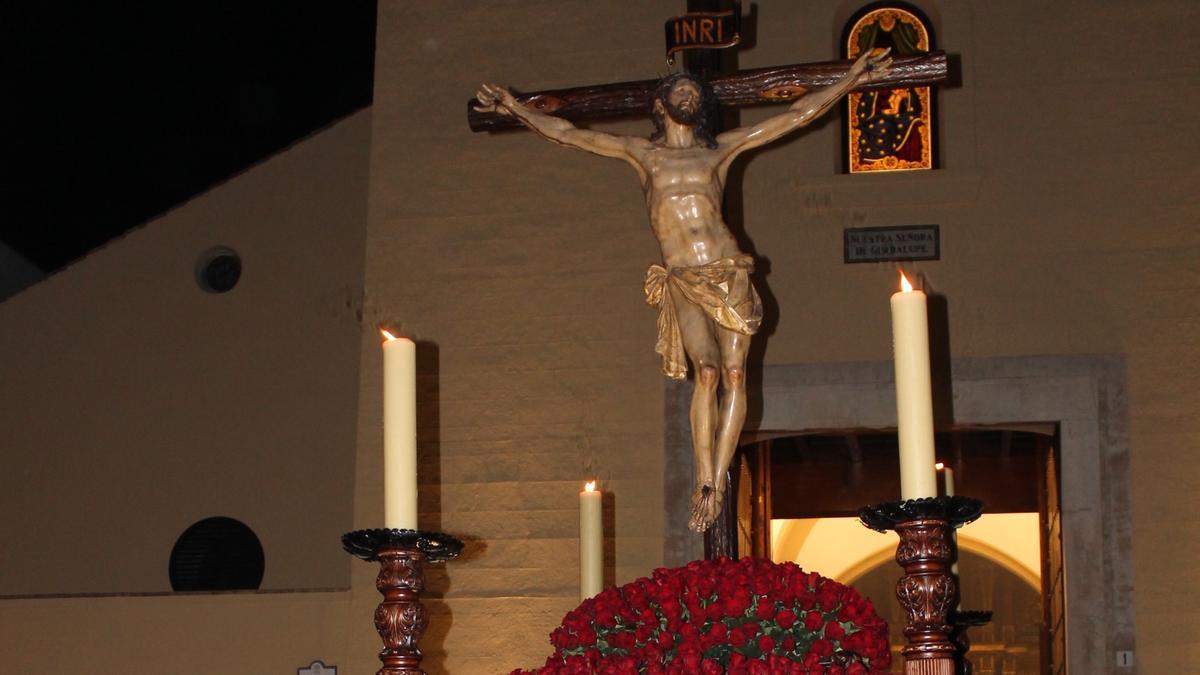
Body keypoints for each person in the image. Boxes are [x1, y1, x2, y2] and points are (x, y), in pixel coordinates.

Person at [475, 48, 892, 531]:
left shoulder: (719, 150)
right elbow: (570, 134)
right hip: (682, 278)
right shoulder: (642, 154)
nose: (688, 93)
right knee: (708, 373)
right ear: (661, 104)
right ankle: (705, 478)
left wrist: (852, 77)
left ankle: (717, 475)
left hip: (727, 269)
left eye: (694, 91)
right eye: (680, 89)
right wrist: (515, 107)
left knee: (736, 375)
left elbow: (795, 116)